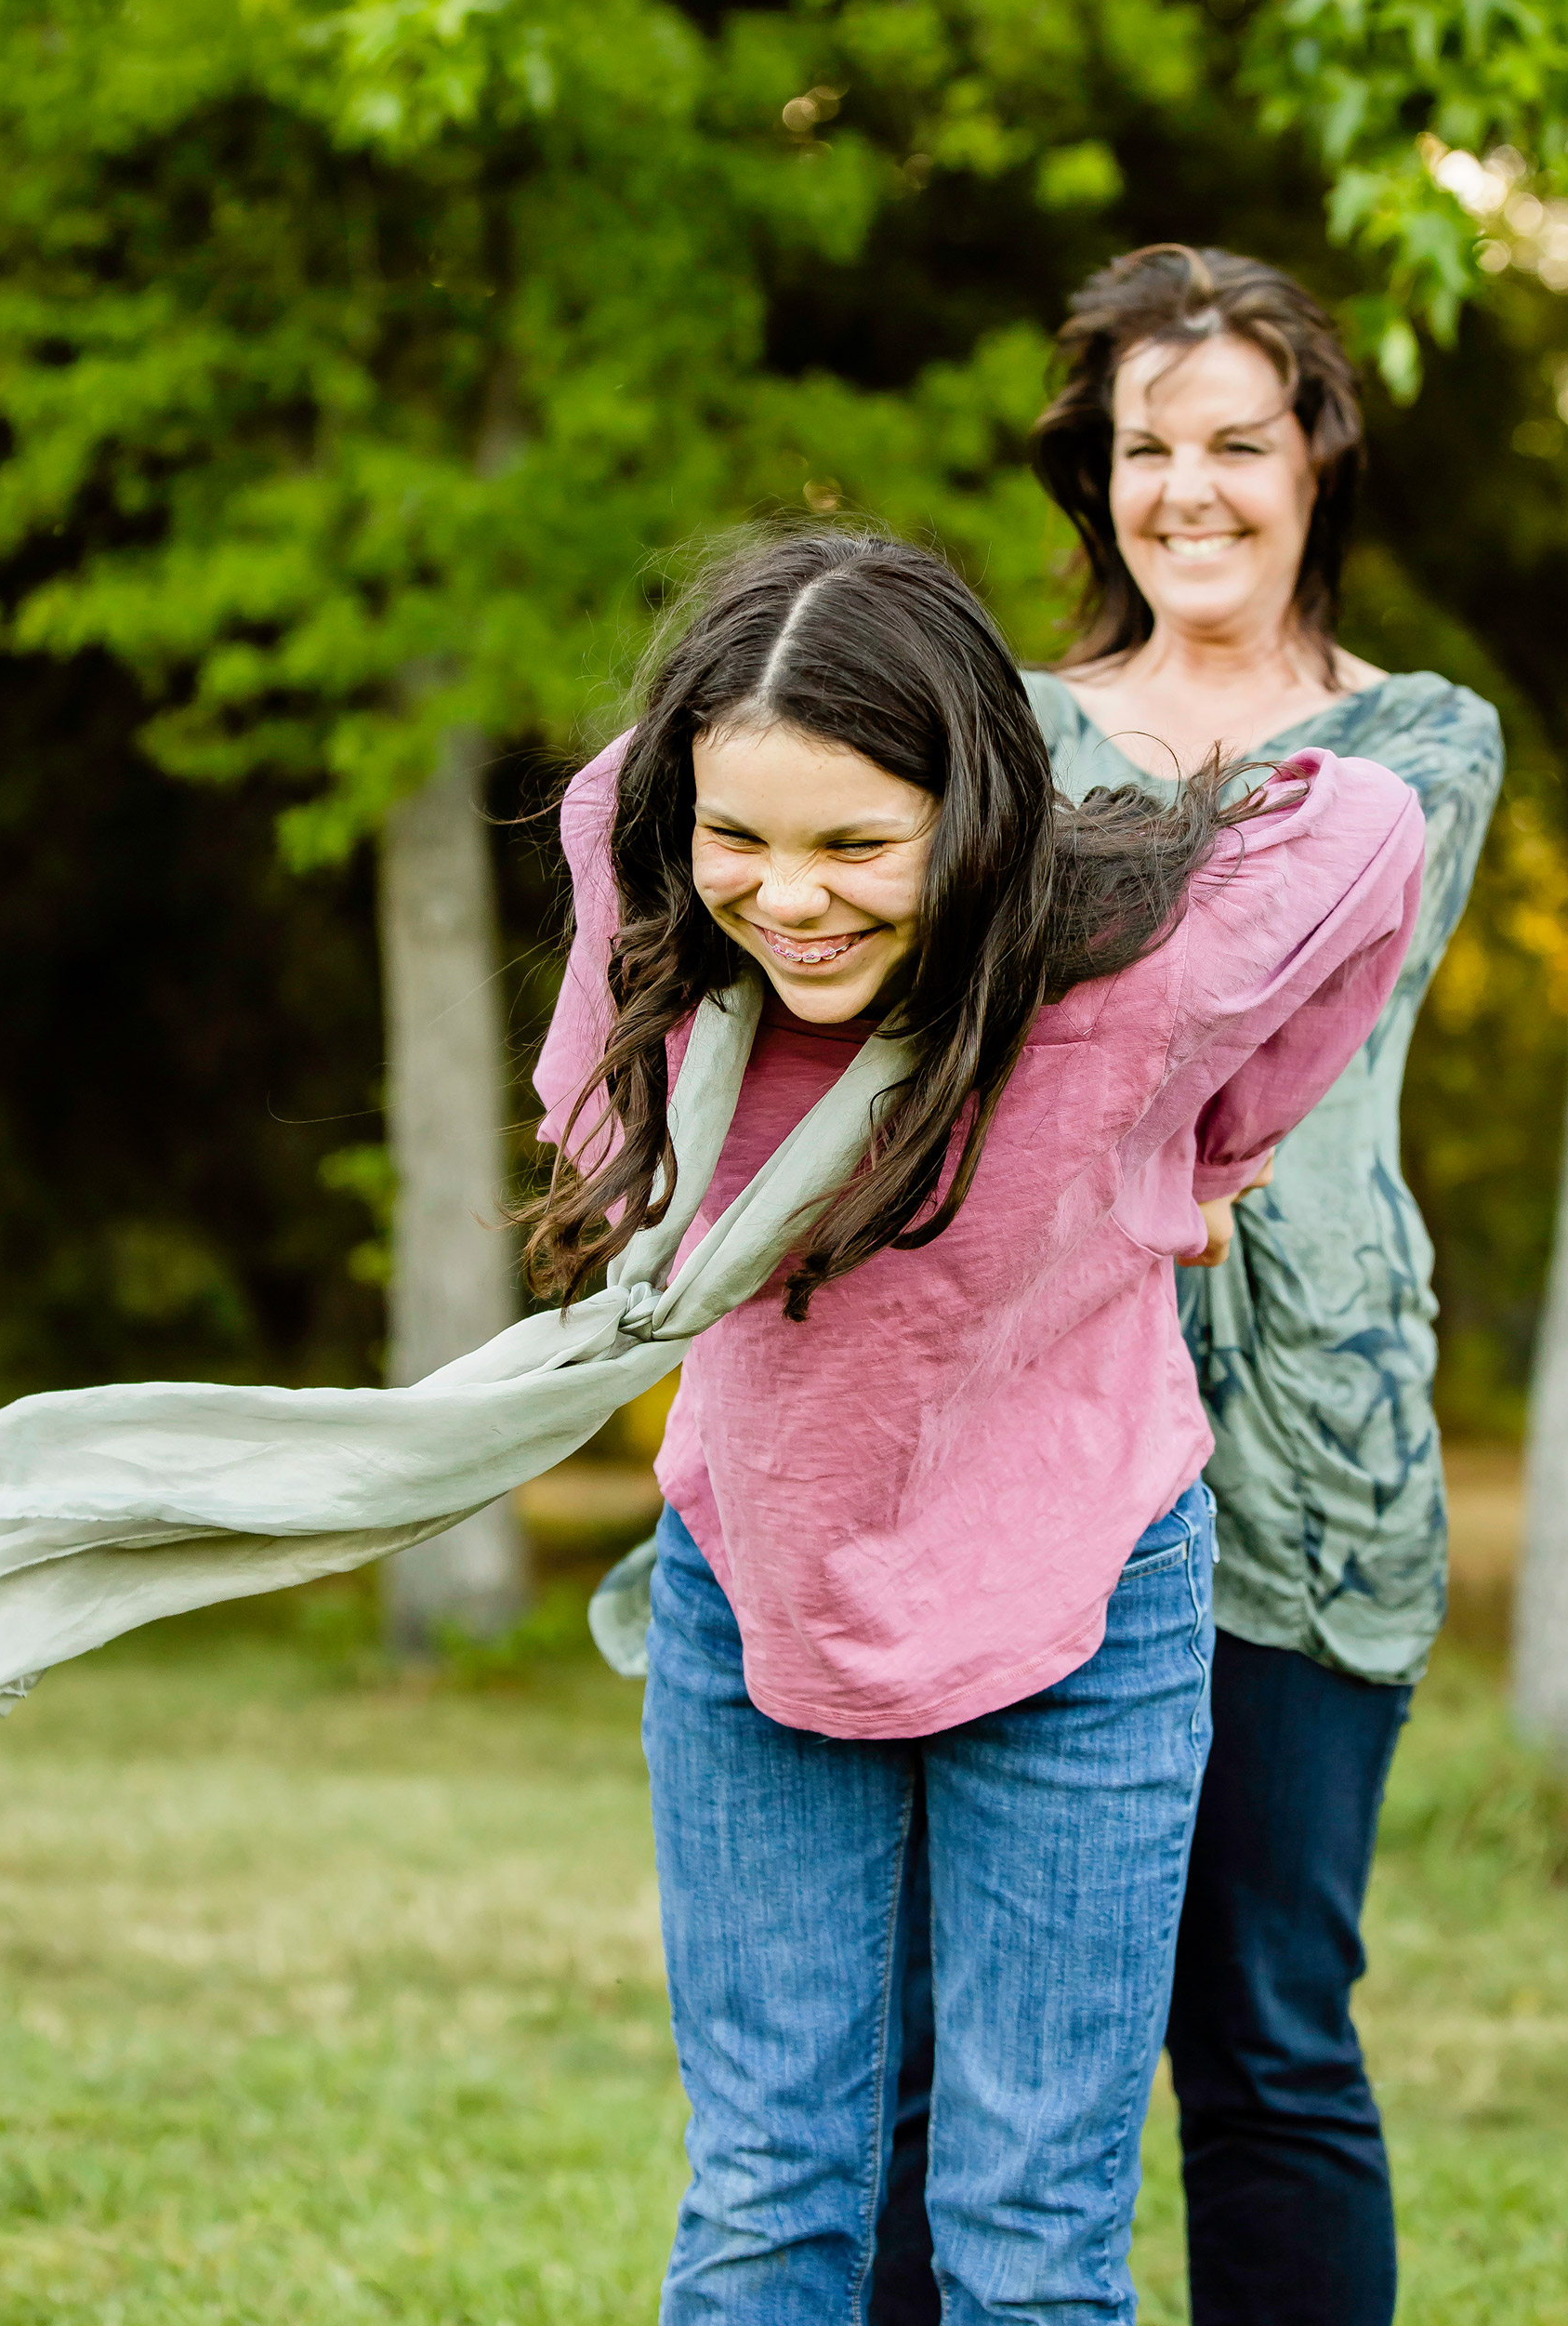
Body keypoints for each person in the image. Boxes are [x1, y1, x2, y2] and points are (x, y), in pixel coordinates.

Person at [529, 527, 1425, 2325]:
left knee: (1028, 2234)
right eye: (743, 842)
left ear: (978, 816)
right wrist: (740, 726)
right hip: (757, 1596)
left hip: (1081, 1611)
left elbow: (1370, 835)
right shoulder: (680, 969)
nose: (790, 900)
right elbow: (623, 814)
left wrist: (1213, 1142)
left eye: (859, 843)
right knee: (772, 2192)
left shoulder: (1124, 980)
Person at [870, 248, 1503, 2326]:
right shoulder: (1008, 734)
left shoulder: (1416, 747)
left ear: (1315, 453)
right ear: (1096, 477)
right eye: (1148, 447)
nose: (1192, 490)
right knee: (946, 2051)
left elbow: (1247, 1005)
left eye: (1237, 439)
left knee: (1266, 2033)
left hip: (1304, 1456)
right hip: (1014, 1416)